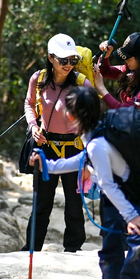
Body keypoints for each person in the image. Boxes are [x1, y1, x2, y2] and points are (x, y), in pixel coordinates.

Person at [30, 87, 140, 279]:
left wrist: (131, 216)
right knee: (129, 239)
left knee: (122, 241)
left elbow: (107, 184)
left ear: (70, 115)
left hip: (120, 193)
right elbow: (85, 160)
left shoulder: (95, 142)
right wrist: (48, 165)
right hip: (136, 188)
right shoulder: (101, 129)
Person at [23, 33, 94, 253]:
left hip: (75, 149)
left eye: (72, 60)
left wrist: (89, 161)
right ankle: (32, 248)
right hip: (46, 148)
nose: (68, 65)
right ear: (51, 57)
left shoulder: (83, 84)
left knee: (74, 205)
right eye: (63, 60)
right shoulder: (38, 79)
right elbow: (28, 103)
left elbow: (92, 122)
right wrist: (34, 126)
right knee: (41, 203)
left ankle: (73, 249)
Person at [95, 31, 140, 248]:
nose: (125, 61)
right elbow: (106, 70)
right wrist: (106, 55)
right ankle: (123, 237)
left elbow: (124, 110)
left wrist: (101, 90)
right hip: (126, 144)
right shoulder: (131, 71)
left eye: (128, 57)